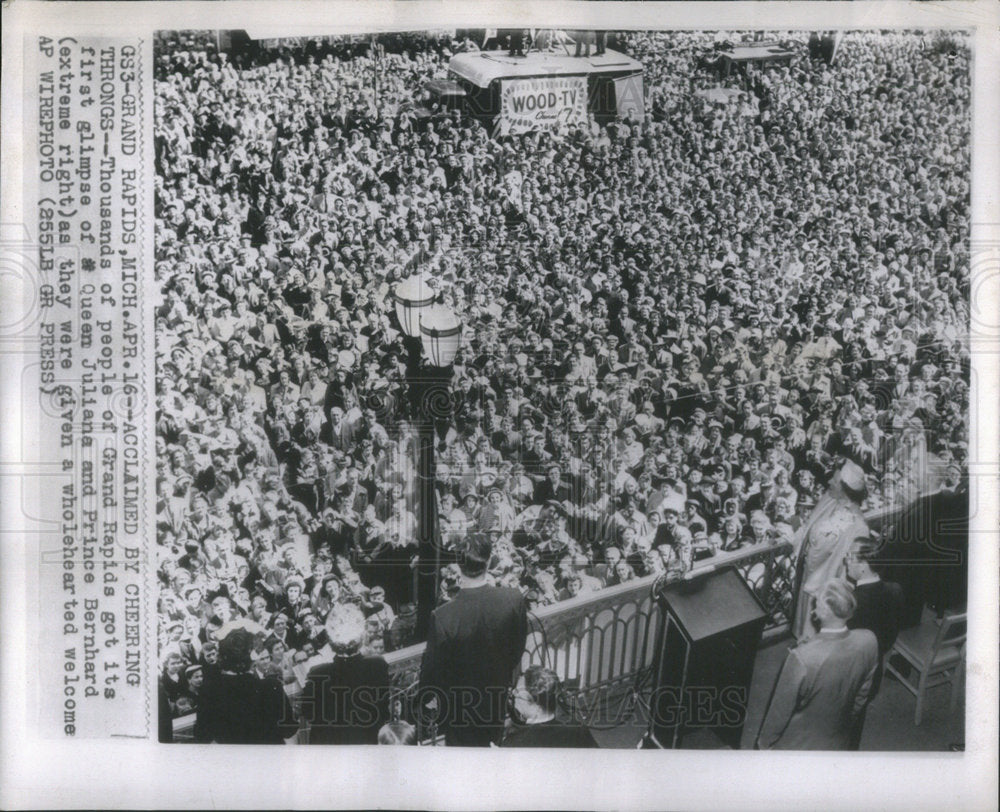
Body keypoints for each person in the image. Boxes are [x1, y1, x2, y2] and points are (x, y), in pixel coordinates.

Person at [418, 534, 528, 746]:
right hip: (496, 697)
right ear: (488, 561)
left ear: (458, 566)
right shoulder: (513, 599)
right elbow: (517, 648)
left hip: (459, 709)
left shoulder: (442, 616)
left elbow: (433, 671)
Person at [756, 580, 878, 750]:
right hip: (840, 738)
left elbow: (779, 713)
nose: (813, 609)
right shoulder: (869, 640)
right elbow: (861, 695)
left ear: (826, 613)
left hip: (799, 745)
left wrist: (764, 744)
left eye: (817, 604)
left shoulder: (801, 658)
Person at [791, 460, 870, 642]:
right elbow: (810, 525)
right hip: (808, 573)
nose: (829, 483)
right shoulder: (829, 498)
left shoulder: (858, 526)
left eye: (834, 481)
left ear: (844, 489)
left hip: (824, 581)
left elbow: (844, 568)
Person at [844, 536, 905, 749]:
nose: (846, 560)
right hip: (874, 669)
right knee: (856, 720)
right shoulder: (895, 589)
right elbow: (889, 637)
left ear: (863, 566)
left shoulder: (851, 605)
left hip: (849, 675)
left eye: (850, 557)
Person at [302, 605, 390, 744]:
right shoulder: (378, 665)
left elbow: (308, 714)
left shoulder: (317, 673)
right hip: (367, 744)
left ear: (330, 640)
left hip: (331, 752)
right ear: (361, 636)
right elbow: (383, 710)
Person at [194, 626, 298, 744]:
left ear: (221, 657)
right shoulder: (271, 687)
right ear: (251, 658)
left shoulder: (208, 692)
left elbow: (202, 736)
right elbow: (289, 730)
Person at [501, 666, 599, 748]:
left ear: (530, 700)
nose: (513, 693)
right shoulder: (579, 729)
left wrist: (497, 757)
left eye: (517, 691)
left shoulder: (514, 744)